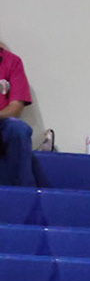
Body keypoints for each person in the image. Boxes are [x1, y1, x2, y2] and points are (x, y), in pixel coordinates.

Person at [0, 39, 36, 188]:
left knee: (18, 129)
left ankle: (23, 195)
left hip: (2, 124)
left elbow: (16, 107)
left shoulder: (12, 62)